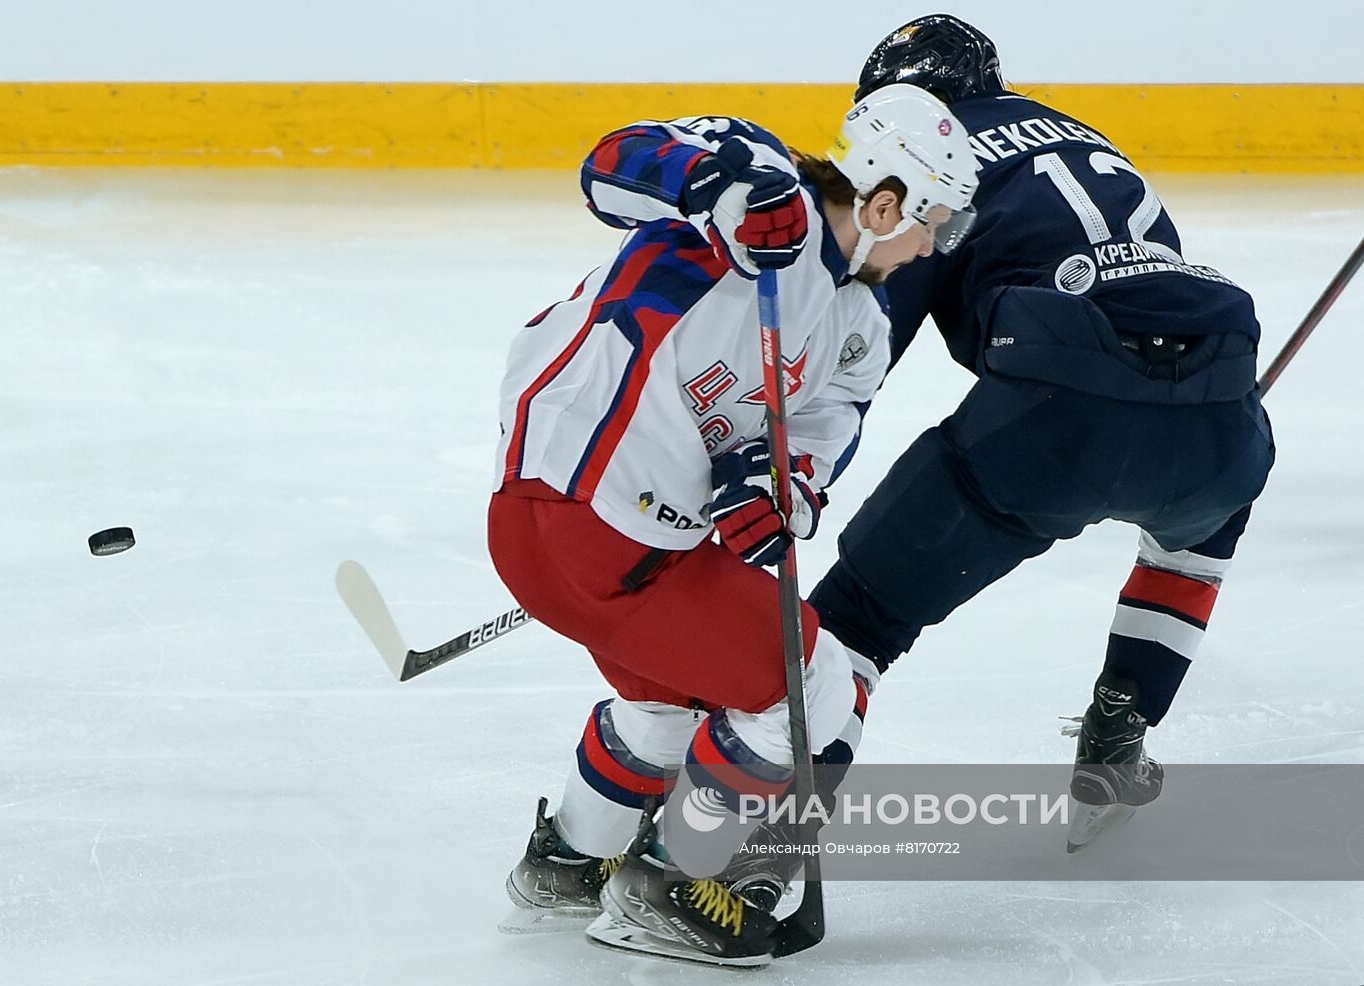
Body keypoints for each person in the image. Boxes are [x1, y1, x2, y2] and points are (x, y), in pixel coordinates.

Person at [487, 83, 979, 964]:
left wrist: (779, 486)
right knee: (811, 682)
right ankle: (676, 884)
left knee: (667, 705)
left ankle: (573, 858)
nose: (928, 249)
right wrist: (717, 184)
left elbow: (821, 435)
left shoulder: (859, 323)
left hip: (607, 547)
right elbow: (609, 166)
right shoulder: (762, 177)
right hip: (580, 505)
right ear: (883, 198)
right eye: (929, 224)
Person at [807, 15, 1277, 849]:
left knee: (855, 622)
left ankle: (736, 856)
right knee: (1200, 531)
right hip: (1219, 404)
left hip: (1055, 421)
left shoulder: (934, 157)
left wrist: (784, 468)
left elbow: (866, 340)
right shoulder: (1078, 135)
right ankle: (1119, 729)